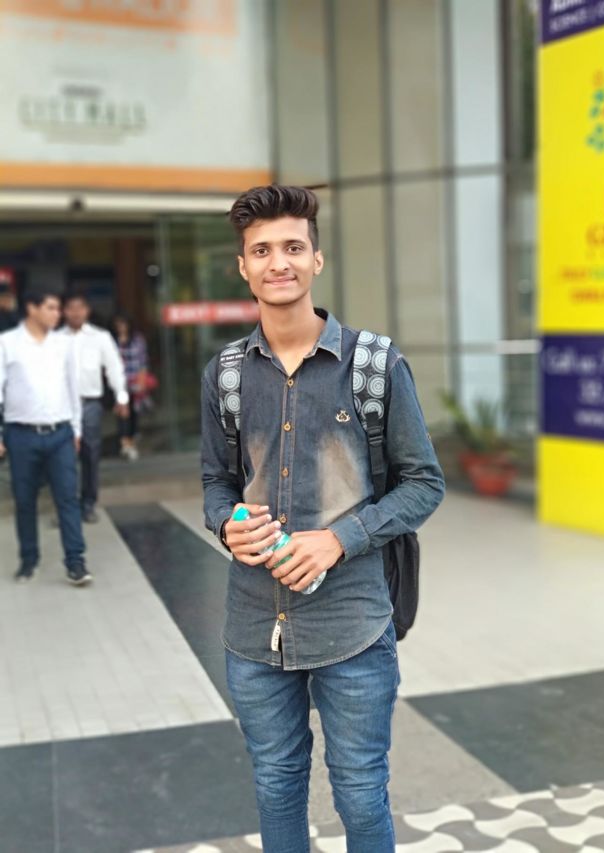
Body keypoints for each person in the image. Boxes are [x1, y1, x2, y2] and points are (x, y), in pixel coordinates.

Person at [201, 185, 445, 851]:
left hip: (354, 625)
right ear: (243, 267)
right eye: (261, 251)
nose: (278, 262)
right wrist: (226, 524)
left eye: (292, 247)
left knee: (361, 792)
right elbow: (216, 482)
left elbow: (425, 483)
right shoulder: (225, 375)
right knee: (277, 784)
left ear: (317, 259)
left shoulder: (374, 366)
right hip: (254, 627)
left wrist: (341, 539)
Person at [0, 289, 91, 585]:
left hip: (60, 434)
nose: (57, 314)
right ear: (32, 308)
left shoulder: (63, 345)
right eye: (51, 308)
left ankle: (75, 562)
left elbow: (73, 389)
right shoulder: (7, 343)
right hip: (20, 435)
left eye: (58, 308)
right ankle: (29, 560)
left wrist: (76, 429)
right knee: (25, 500)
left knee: (68, 499)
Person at [60, 292, 130, 523]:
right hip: (61, 406)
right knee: (63, 457)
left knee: (90, 454)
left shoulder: (100, 337)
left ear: (87, 310)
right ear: (64, 311)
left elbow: (114, 367)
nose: (76, 312)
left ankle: (88, 503)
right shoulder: (55, 338)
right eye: (71, 308)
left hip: (89, 404)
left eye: (80, 307)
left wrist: (121, 397)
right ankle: (67, 507)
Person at [112, 314, 149, 461]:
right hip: (120, 383)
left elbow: (143, 361)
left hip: (135, 382)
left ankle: (131, 441)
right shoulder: (112, 341)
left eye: (123, 324)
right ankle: (125, 443)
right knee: (123, 412)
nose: (121, 327)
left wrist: (142, 381)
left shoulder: (137, 340)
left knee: (133, 413)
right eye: (118, 324)